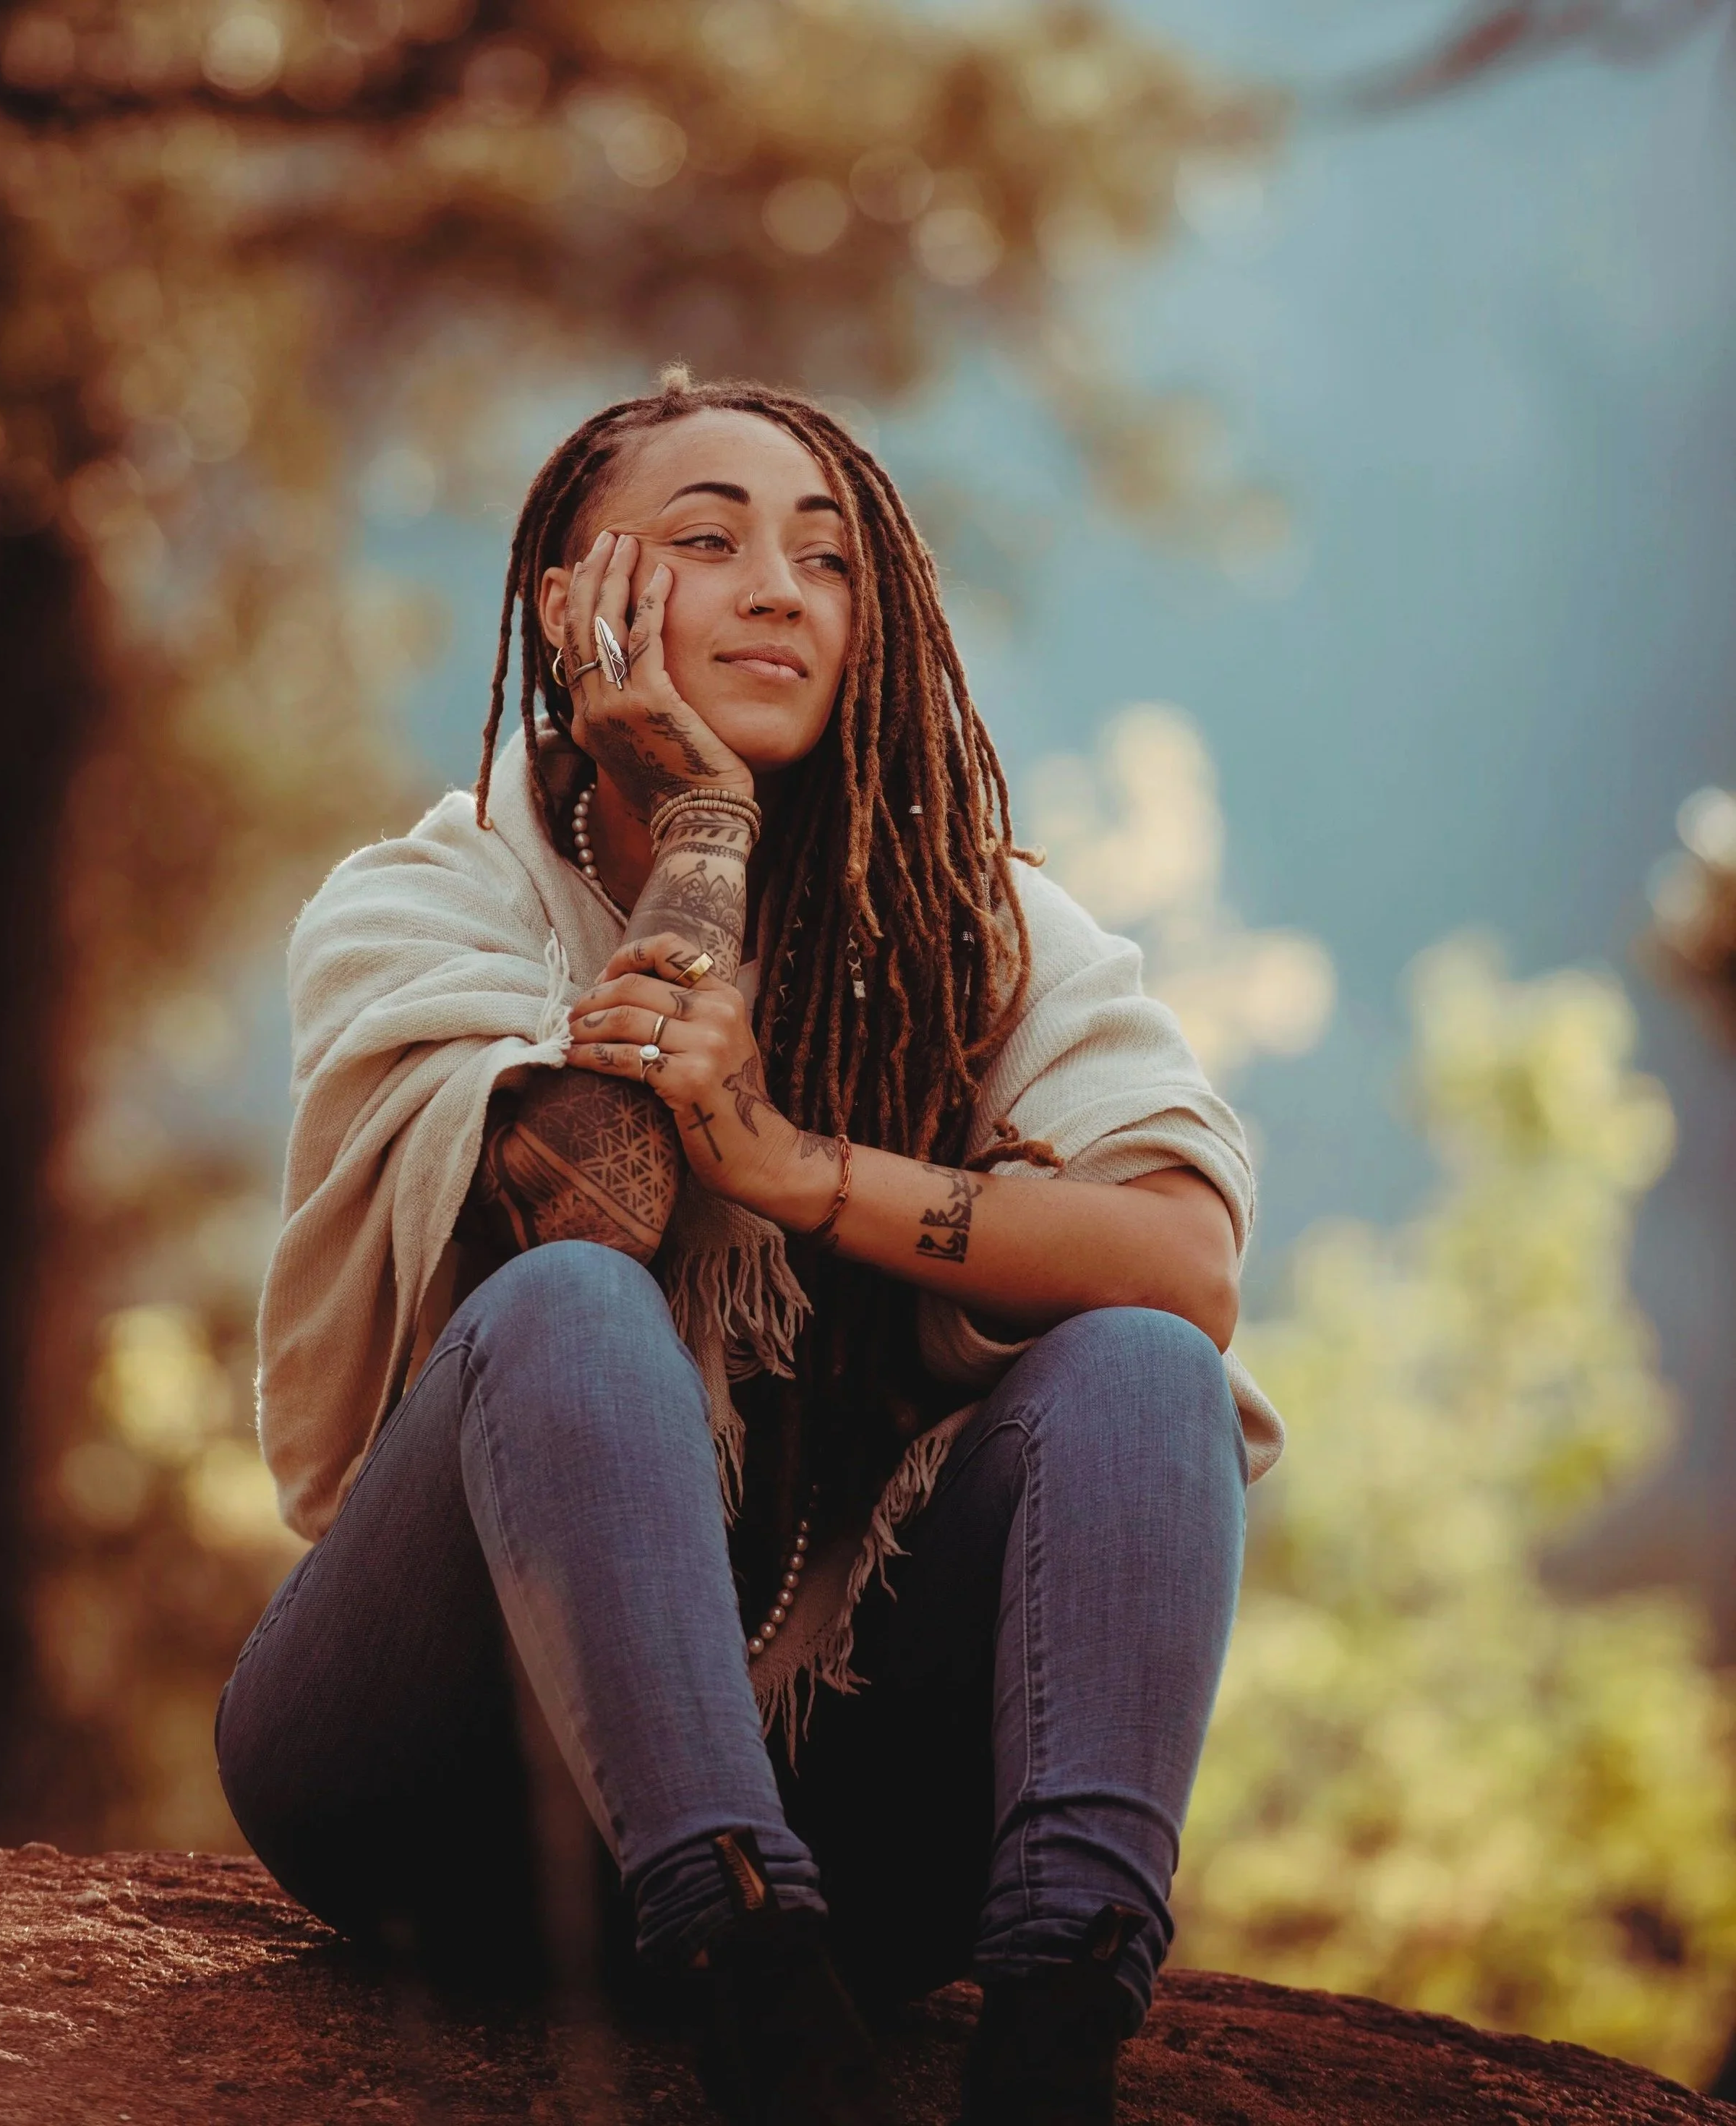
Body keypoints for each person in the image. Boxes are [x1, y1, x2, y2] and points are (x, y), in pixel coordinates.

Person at [215, 369, 1284, 2126]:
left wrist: (797, 1169)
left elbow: (1183, 1267)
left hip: (867, 1826)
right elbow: (591, 1222)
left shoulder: (983, 936)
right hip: (431, 1787)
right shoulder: (431, 900)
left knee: (1144, 1367)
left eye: (830, 557)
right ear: (575, 609)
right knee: (570, 1303)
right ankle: (750, 1981)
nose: (783, 588)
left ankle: (1058, 2016)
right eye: (706, 543)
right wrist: (699, 832)